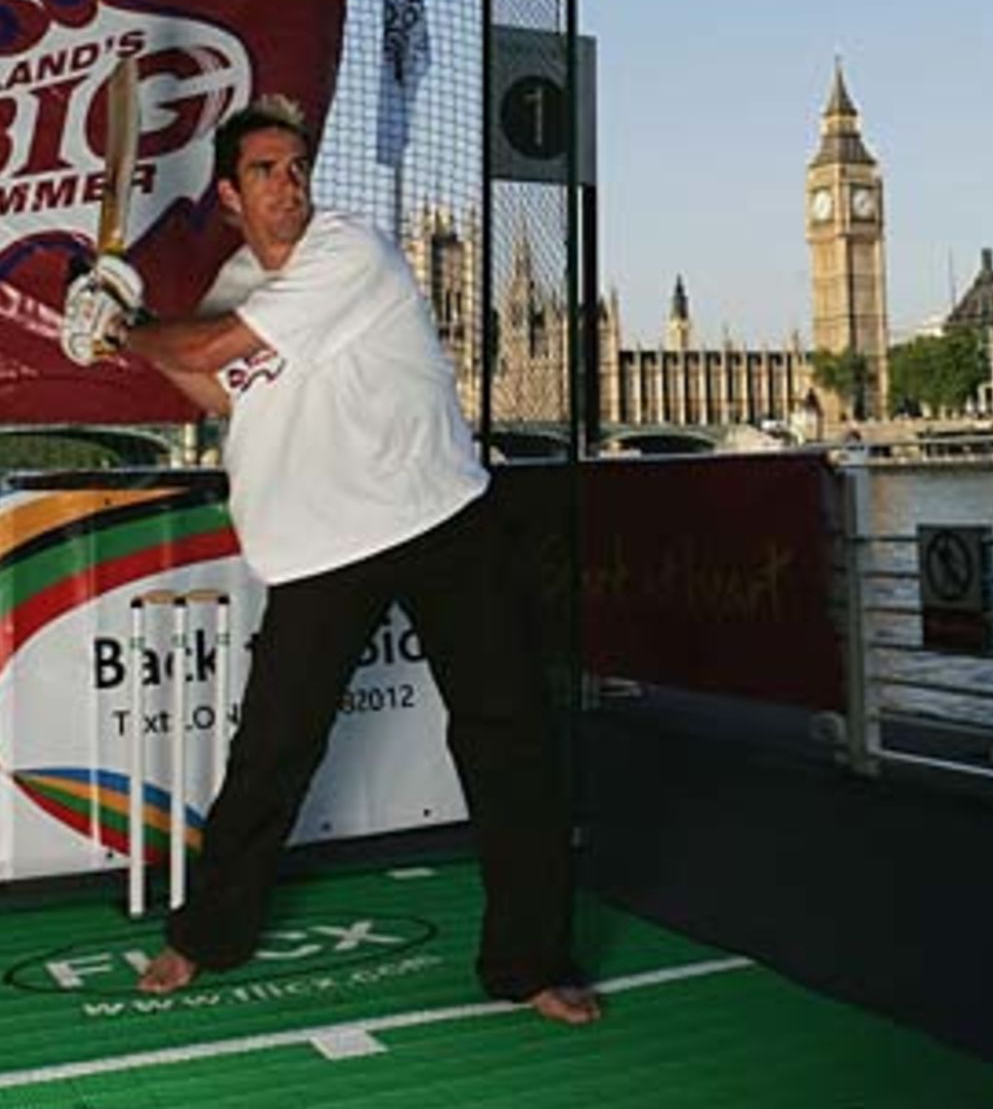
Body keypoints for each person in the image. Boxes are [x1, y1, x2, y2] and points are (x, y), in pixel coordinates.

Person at [62, 95, 600, 1026]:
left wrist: (120, 326)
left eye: (297, 167)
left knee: (506, 738)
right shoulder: (238, 281)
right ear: (231, 194)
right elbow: (217, 385)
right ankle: (206, 937)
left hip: (441, 520)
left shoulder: (350, 251)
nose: (289, 184)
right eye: (265, 172)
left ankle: (530, 962)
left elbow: (219, 344)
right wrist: (133, 322)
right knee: (271, 753)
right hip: (321, 551)